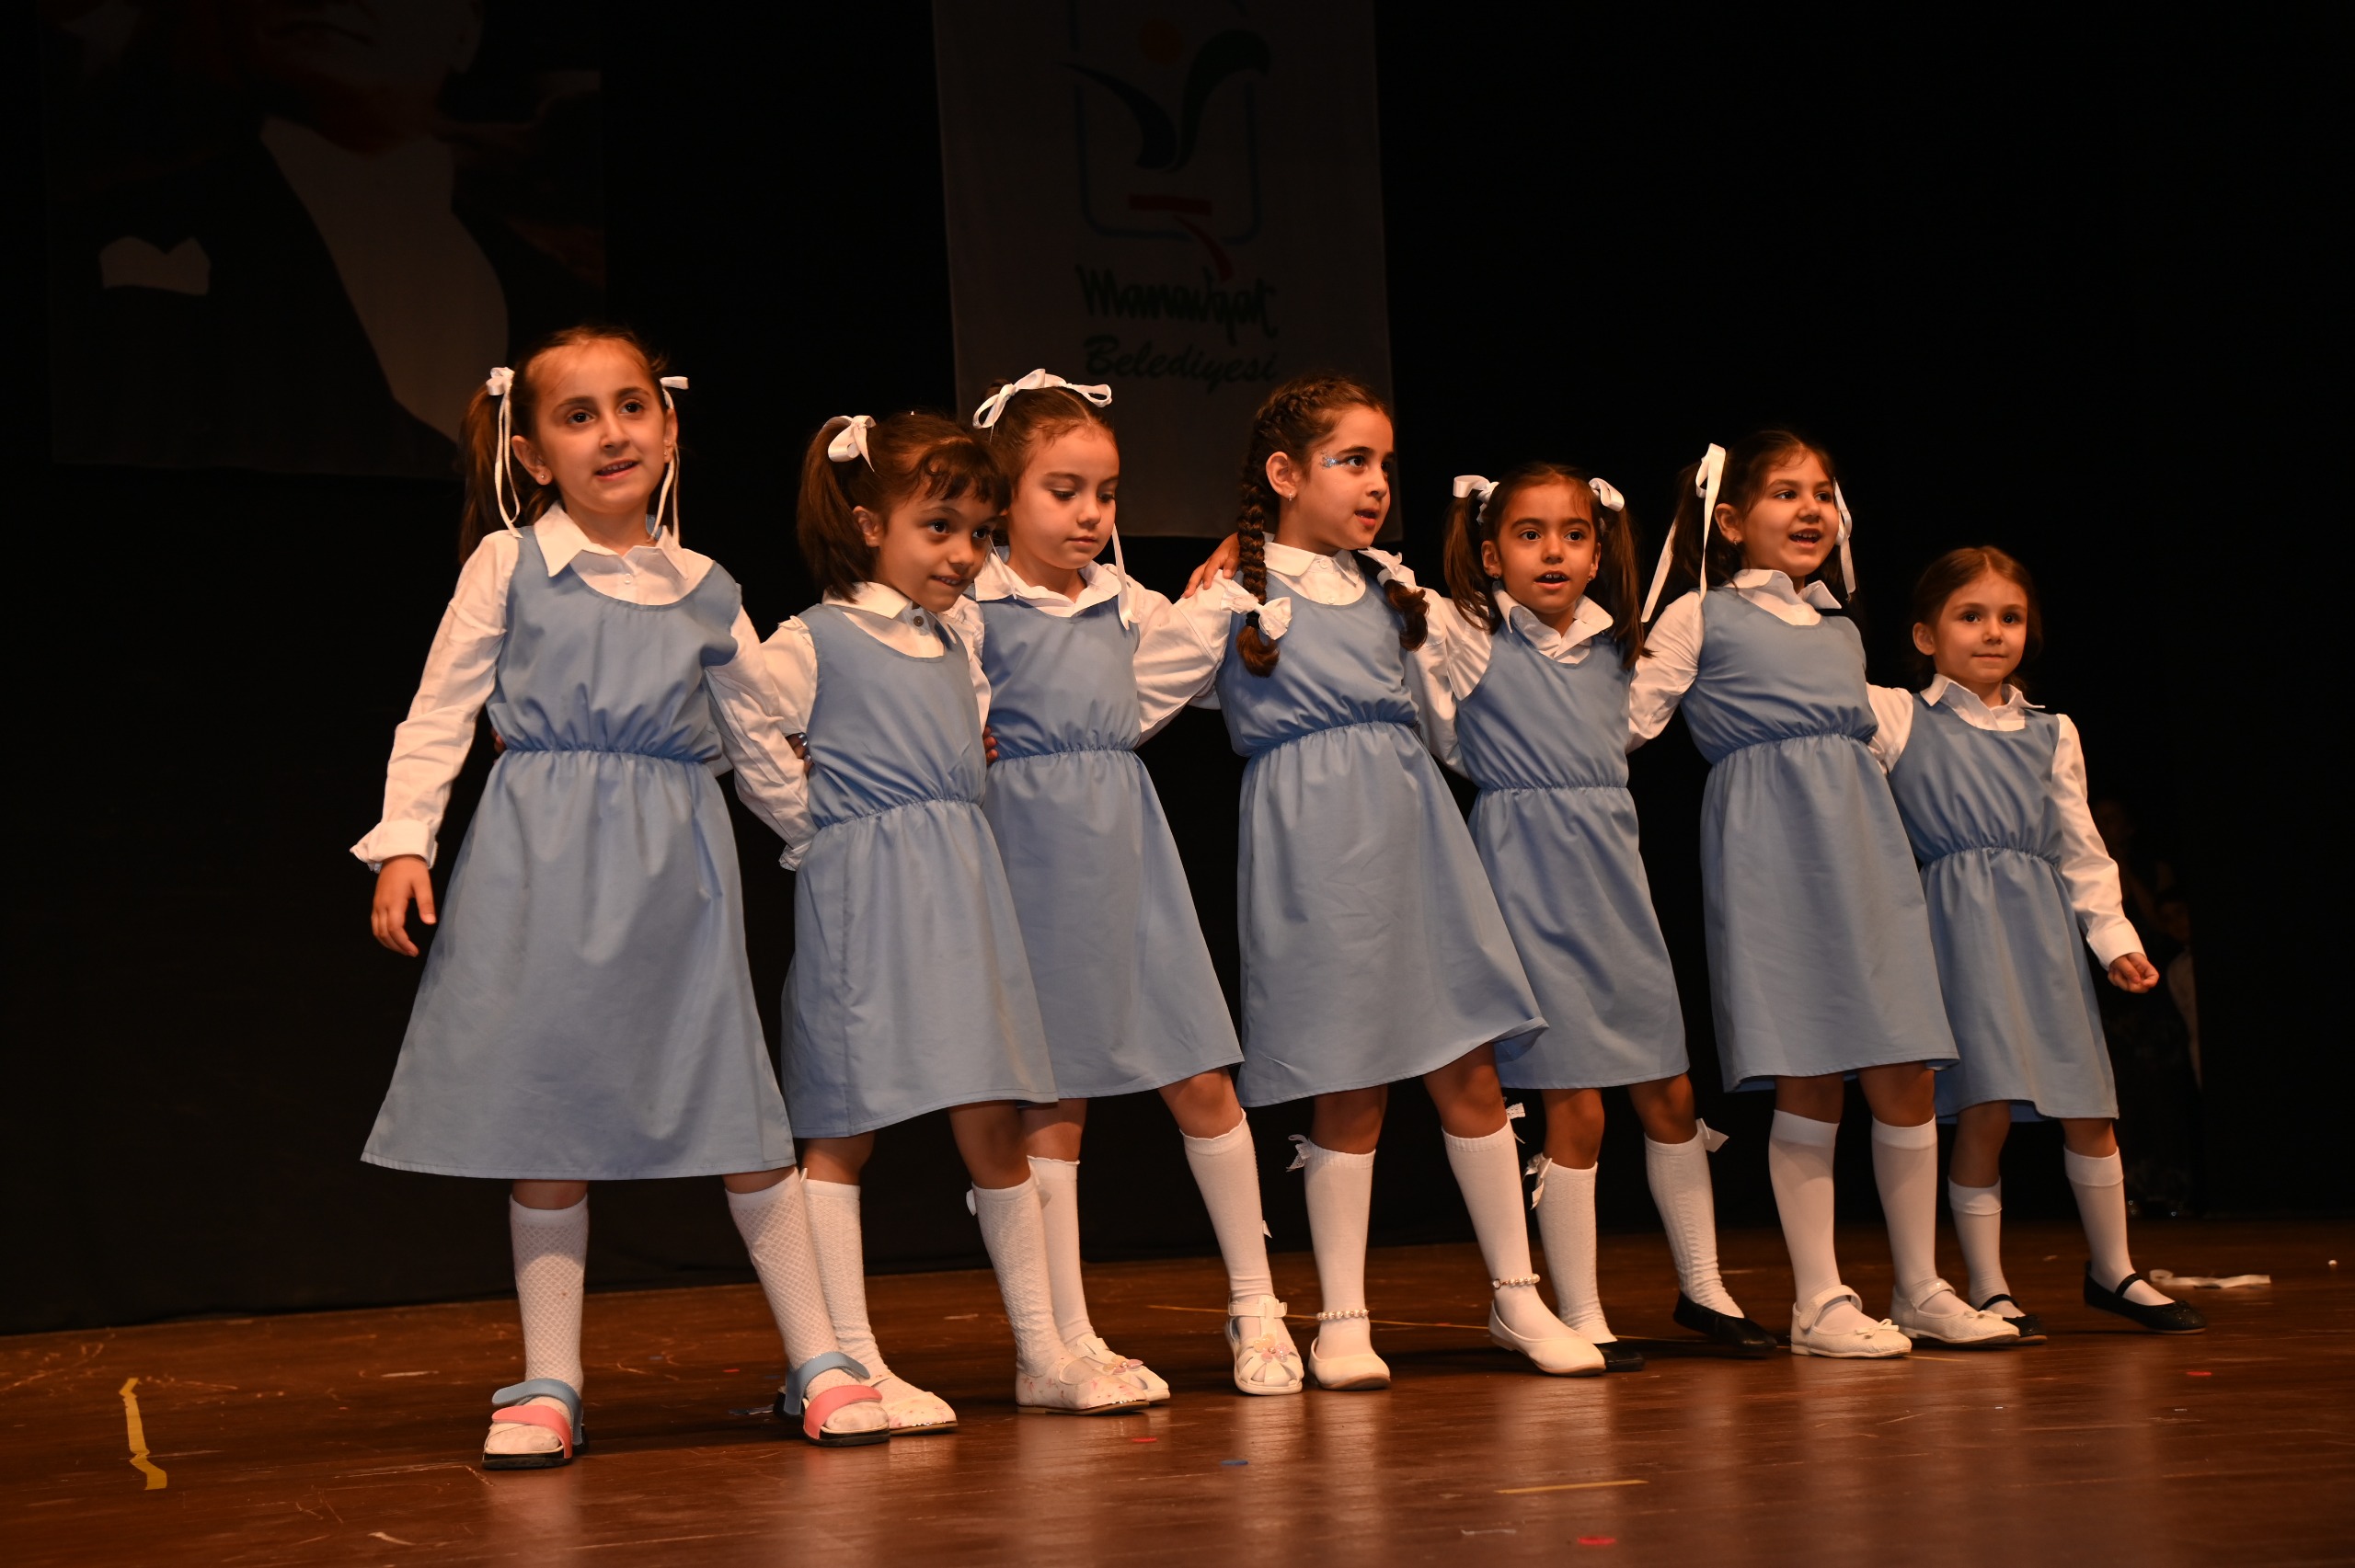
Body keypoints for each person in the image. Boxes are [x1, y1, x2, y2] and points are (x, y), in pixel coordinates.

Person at [355, 326, 887, 1467]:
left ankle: (819, 1356)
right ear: (532, 453)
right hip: (539, 868)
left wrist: (828, 841)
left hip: (675, 879)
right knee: (549, 1118)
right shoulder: (508, 565)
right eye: (578, 415)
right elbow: (440, 707)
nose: (611, 433)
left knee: (739, 1108)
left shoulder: (707, 587)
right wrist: (405, 841)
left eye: (631, 406)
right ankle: (551, 1376)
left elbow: (761, 740)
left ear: (669, 424)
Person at [1138, 373, 1603, 1388]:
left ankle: (1517, 1296)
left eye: (1385, 463)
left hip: (1415, 834)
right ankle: (1342, 1318)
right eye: (1351, 460)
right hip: (1313, 845)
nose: (1377, 482)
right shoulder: (1238, 592)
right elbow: (1134, 693)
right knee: (1348, 1078)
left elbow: (1455, 712)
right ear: (1284, 473)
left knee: (1468, 1067)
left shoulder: (1397, 589)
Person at [728, 408, 1148, 1425]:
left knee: (994, 1113)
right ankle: (849, 1359)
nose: (964, 554)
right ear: (869, 525)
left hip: (964, 884)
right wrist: (815, 822)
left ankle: (1042, 1352)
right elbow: (742, 723)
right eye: (939, 528)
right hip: (864, 894)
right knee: (845, 1122)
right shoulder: (812, 639)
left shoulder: (959, 632)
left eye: (977, 532)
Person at [1629, 432, 2017, 1356]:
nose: (1809, 508)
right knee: (1808, 1067)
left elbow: (1893, 740)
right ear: (1730, 521)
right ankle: (1819, 1298)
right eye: (1784, 492)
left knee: (1906, 1064)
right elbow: (1625, 723)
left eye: (1821, 492)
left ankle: (1920, 1285)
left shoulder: (1841, 627)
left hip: (1865, 849)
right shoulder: (1700, 615)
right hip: (1770, 851)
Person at [965, 370, 1301, 1397]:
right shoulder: (973, 607)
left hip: (1128, 852)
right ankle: (1064, 1336)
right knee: (1051, 1100)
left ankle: (1257, 1306)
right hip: (1026, 859)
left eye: (1105, 494)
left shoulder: (1129, 604)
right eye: (1062, 490)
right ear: (1002, 496)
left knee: (1199, 1074)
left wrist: (1228, 586)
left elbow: (1184, 667)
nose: (1089, 514)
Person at [1419, 464, 1776, 1367]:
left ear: (1597, 549)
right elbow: (1383, 599)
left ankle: (1704, 1286)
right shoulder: (1469, 638)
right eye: (1529, 533)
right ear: (1490, 553)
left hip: (1614, 886)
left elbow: (1670, 680)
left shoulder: (1622, 650)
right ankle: (1580, 1312)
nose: (1553, 551)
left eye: (1573, 534)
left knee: (1670, 1090)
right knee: (1574, 1104)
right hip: (1525, 883)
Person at [1876, 547, 2204, 1334]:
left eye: (2011, 617)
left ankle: (2114, 1268)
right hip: (1957, 929)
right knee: (1984, 1105)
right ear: (1925, 634)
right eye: (1971, 615)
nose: (1994, 632)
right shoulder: (1899, 715)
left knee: (2088, 1103)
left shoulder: (2052, 731)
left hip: (2043, 933)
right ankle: (1989, 1285)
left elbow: (2082, 850)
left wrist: (2114, 939)